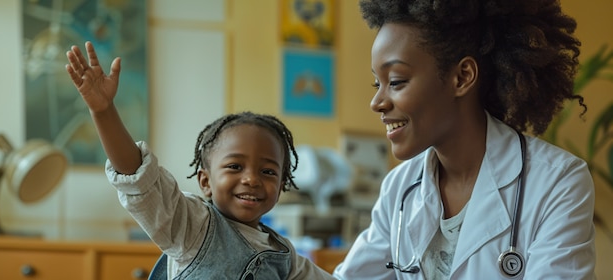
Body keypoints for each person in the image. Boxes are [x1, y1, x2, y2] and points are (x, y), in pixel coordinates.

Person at [333, 0, 595, 279]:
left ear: (462, 77)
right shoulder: (399, 188)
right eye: (378, 83)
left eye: (395, 81)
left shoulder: (558, 183)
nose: (377, 102)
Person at [65, 41, 336, 279]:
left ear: (281, 185)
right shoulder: (193, 225)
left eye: (268, 171)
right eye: (235, 166)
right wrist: (103, 111)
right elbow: (138, 177)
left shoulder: (284, 255)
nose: (252, 179)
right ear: (205, 181)